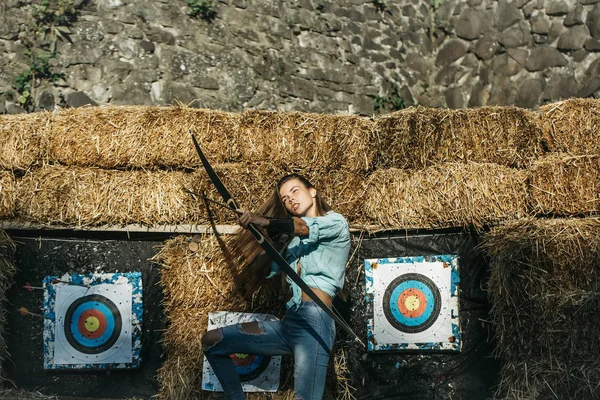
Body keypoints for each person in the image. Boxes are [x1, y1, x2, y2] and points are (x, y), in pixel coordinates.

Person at [201, 173, 351, 400]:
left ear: (312, 191)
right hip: (289, 324)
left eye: (295, 191)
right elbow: (268, 267)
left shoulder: (335, 222)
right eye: (284, 199)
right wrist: (260, 233)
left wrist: (264, 220)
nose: (290, 199)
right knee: (213, 342)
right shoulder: (292, 242)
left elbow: (303, 227)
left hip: (315, 322)